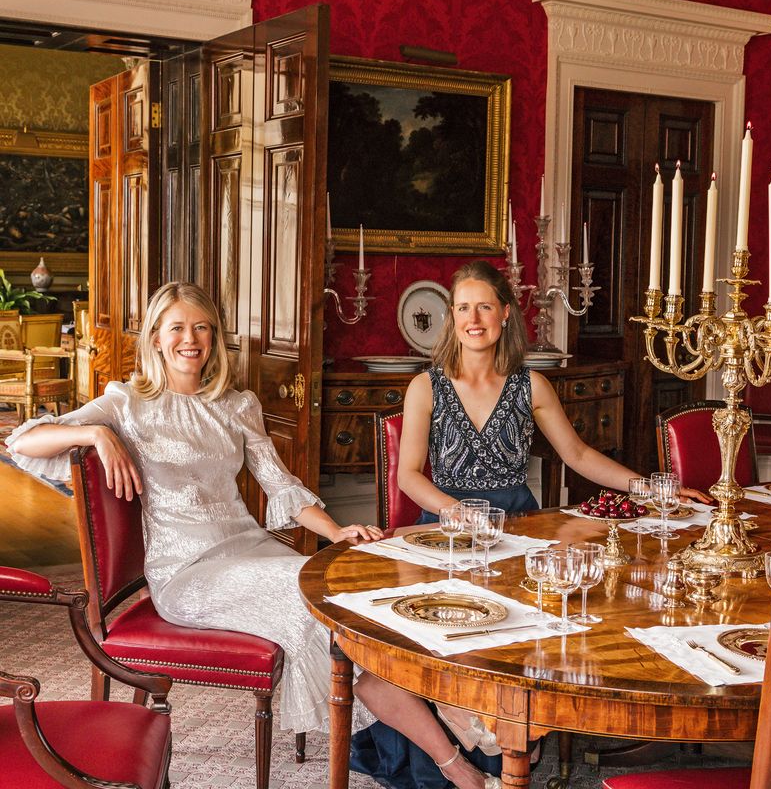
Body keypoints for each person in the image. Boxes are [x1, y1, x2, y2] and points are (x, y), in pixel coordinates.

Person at [7, 281, 501, 789]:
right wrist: (96, 432)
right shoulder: (126, 403)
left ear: (215, 337)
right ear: (156, 338)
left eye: (202, 327)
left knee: (350, 600)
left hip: (249, 549)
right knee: (322, 605)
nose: (190, 339)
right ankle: (453, 746)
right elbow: (23, 439)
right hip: (188, 573)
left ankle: (446, 738)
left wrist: (336, 531)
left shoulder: (236, 404)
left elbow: (278, 482)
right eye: (176, 328)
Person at [398, 260, 709, 524]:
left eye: (485, 307)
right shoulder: (425, 387)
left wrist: (650, 489)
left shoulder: (531, 385)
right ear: (452, 315)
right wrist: (457, 512)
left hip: (519, 527)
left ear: (505, 312)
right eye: (464, 308)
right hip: (445, 529)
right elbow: (408, 475)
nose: (473, 319)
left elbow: (578, 454)